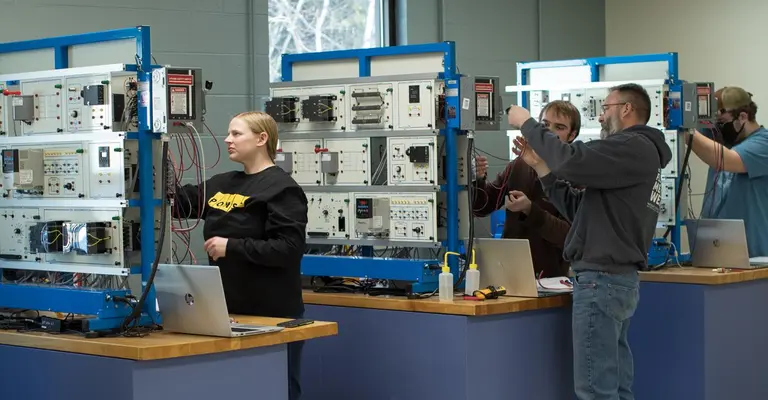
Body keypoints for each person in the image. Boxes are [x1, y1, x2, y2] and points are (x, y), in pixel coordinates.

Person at [507, 83, 672, 400]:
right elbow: (577, 210)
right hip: (611, 280)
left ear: (625, 109)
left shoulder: (631, 146)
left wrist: (526, 121)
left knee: (596, 390)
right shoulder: (633, 154)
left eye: (606, 107)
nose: (601, 115)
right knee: (615, 388)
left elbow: (570, 161)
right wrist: (541, 165)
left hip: (602, 280)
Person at [174, 111, 309, 400]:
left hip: (272, 316)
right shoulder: (221, 183)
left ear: (262, 139)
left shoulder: (282, 189)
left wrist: (230, 247)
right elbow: (175, 202)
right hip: (227, 314)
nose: (227, 140)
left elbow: (288, 249)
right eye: (228, 133)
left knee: (276, 389)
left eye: (236, 134)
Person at [473, 100, 580, 277]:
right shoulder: (519, 165)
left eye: (559, 127)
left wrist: (530, 210)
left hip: (550, 279)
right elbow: (482, 207)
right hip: (509, 271)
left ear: (571, 135)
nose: (549, 132)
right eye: (544, 125)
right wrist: (477, 179)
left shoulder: (577, 174)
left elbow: (571, 237)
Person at [686, 86, 768, 257]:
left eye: (721, 123)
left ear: (743, 117)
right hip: (715, 252)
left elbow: (727, 160)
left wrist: (685, 131)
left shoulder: (763, 143)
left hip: (756, 257)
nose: (716, 129)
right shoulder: (724, 140)